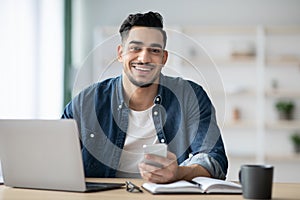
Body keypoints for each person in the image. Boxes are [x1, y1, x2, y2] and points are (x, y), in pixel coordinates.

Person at [62, 11, 228, 183]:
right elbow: (57, 157)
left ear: (164, 58)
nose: (144, 58)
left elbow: (215, 159)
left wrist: (179, 172)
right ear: (120, 53)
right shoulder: (86, 101)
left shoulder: (190, 95)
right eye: (135, 48)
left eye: (154, 50)